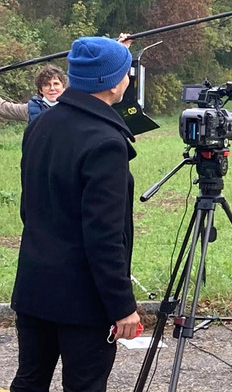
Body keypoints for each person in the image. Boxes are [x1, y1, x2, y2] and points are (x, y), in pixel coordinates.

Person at [11, 35, 142, 391]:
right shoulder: (106, 142)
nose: (128, 78)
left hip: (35, 283)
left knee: (30, 380)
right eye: (126, 72)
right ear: (112, 82)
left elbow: (29, 209)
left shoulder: (40, 124)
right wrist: (122, 305)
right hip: (83, 298)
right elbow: (104, 236)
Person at [0, 64, 68, 123]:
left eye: (56, 84)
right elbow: (3, 108)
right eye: (46, 85)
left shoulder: (72, 107)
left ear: (64, 87)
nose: (52, 88)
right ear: (40, 90)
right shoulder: (31, 108)